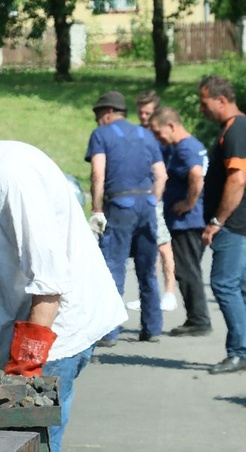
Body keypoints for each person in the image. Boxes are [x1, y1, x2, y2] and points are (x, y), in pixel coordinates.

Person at [0, 136, 127, 452]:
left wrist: (26, 367)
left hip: (57, 329)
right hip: (25, 324)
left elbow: (49, 286)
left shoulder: (12, 174)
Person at [86, 91, 167, 346]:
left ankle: (110, 333)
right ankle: (152, 329)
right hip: (146, 203)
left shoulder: (101, 135)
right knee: (147, 268)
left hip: (120, 204)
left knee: (114, 266)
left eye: (99, 115)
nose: (98, 120)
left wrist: (97, 208)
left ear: (108, 112)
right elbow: (161, 175)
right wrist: (152, 200)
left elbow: (98, 174)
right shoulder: (146, 135)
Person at [148, 106, 212, 337]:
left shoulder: (186, 148)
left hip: (187, 220)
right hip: (186, 220)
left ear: (171, 125)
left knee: (187, 270)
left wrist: (189, 203)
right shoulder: (186, 146)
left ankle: (199, 320)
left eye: (158, 132)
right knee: (188, 269)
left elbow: (196, 175)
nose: (157, 137)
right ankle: (196, 318)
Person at [197, 75, 246, 374]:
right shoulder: (232, 128)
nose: (202, 109)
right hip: (237, 224)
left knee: (224, 284)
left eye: (204, 103)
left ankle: (239, 352)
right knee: (239, 286)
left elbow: (238, 178)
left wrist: (217, 221)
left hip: (234, 225)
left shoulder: (237, 129)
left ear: (221, 100)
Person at [126, 90, 178, 312]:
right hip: (140, 195)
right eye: (140, 112)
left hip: (157, 197)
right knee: (146, 249)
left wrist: (156, 199)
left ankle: (169, 293)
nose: (144, 116)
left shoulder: (161, 135)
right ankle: (149, 296)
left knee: (164, 246)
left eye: (147, 112)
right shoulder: (137, 133)